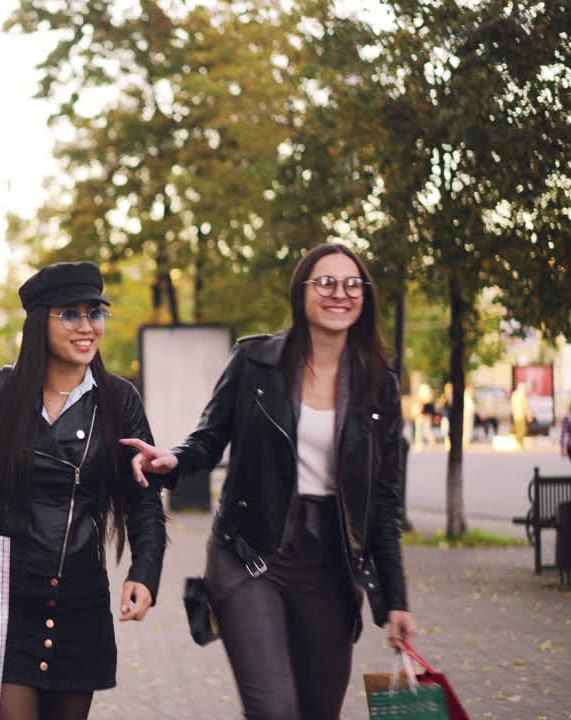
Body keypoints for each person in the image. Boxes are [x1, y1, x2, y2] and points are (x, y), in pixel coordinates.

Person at [121, 244, 415, 720]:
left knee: (319, 710)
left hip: (332, 565)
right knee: (275, 710)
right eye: (325, 282)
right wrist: (171, 461)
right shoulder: (255, 361)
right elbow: (210, 438)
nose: (339, 293)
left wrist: (397, 600)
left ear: (366, 297)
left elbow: (382, 502)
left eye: (352, 284)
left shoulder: (379, 384)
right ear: (301, 293)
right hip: (250, 553)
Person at [0, 261, 165, 720]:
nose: (86, 327)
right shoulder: (0, 391)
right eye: (71, 315)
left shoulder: (120, 400)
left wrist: (145, 571)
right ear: (41, 321)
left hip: (81, 602)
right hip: (5, 600)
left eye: (94, 313)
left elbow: (143, 499)